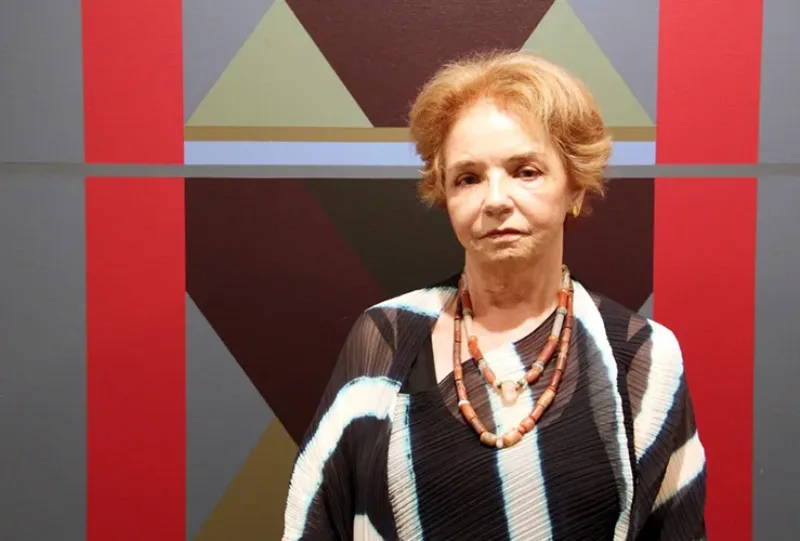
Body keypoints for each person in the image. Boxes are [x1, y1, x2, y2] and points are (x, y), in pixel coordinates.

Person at [282, 50, 707, 541]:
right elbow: (315, 522)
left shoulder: (641, 358)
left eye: (525, 171)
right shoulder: (386, 339)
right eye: (469, 178)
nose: (495, 200)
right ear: (444, 195)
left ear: (575, 186)